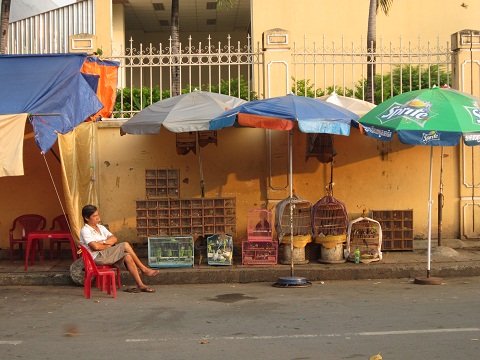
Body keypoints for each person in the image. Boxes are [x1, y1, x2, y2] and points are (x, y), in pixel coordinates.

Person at [79, 204, 158, 293]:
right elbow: (95, 247)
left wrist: (104, 243)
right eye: (94, 216)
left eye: (98, 215)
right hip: (97, 257)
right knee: (125, 245)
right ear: (86, 218)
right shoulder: (85, 230)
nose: (97, 218)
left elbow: (114, 239)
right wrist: (108, 245)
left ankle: (141, 285)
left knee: (128, 257)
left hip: (107, 254)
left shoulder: (101, 227)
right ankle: (143, 269)